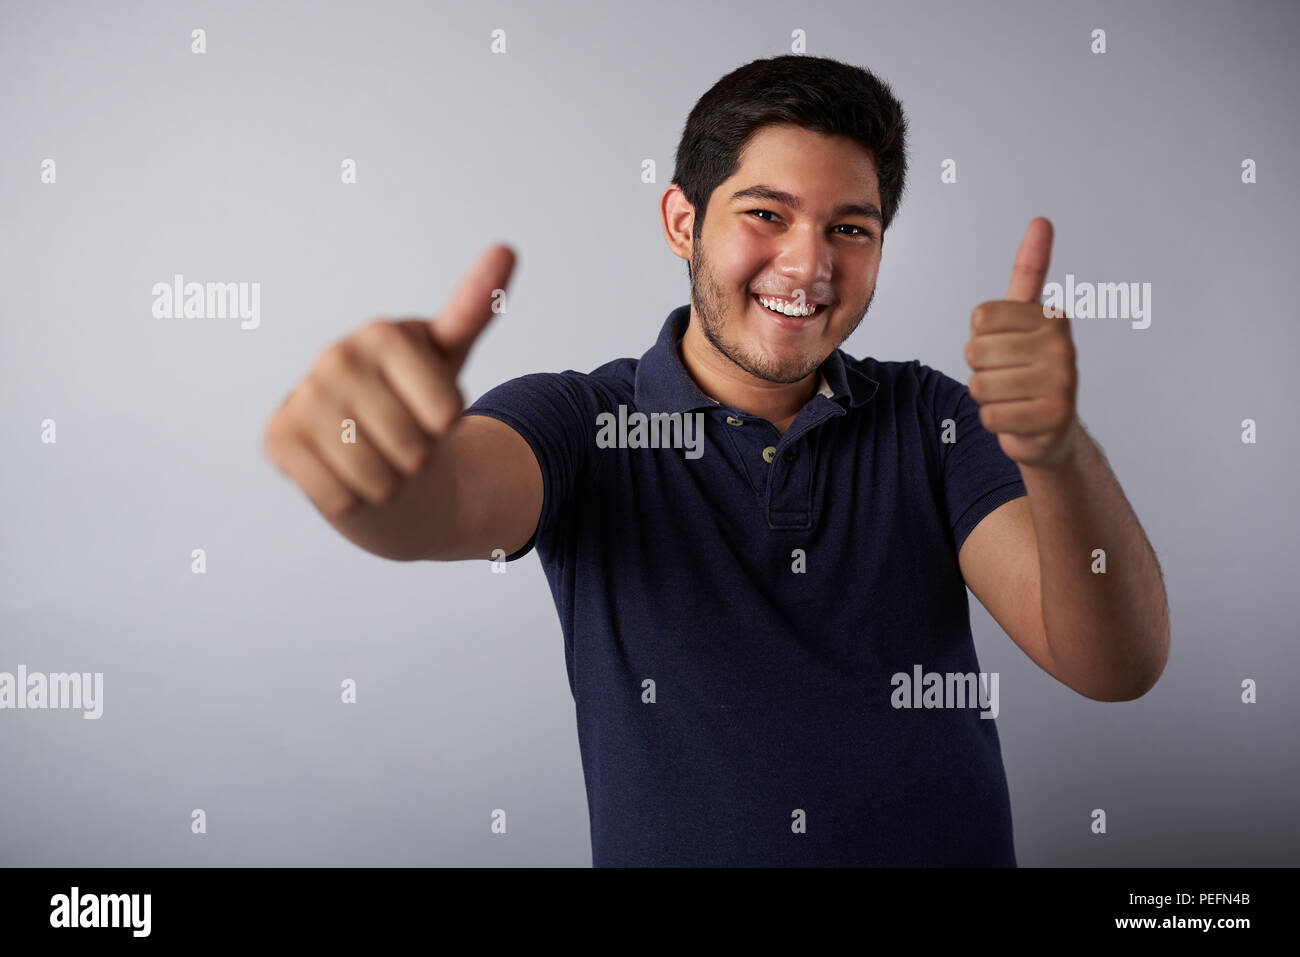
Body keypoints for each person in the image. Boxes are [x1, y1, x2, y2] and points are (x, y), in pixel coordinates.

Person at [263, 54, 1170, 866]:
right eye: (767, 214)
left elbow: (1114, 665)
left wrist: (1056, 450)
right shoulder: (583, 419)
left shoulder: (931, 413)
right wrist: (366, 461)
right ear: (682, 221)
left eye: (851, 229)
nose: (809, 264)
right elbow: (438, 503)